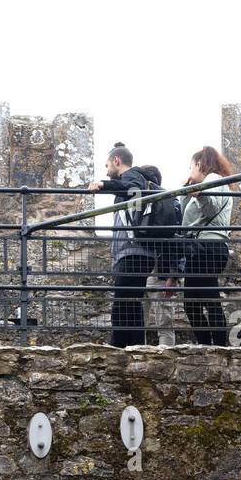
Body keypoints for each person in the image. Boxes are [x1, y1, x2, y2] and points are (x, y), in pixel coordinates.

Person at [88, 143, 153, 347]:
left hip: (133, 252)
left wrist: (103, 184)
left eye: (107, 165)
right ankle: (134, 348)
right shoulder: (132, 179)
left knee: (122, 304)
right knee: (130, 304)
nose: (107, 170)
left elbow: (132, 189)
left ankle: (119, 349)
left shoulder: (133, 176)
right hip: (133, 252)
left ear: (117, 161)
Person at [171, 147, 233, 346]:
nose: (190, 171)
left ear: (199, 164)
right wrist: (186, 194)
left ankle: (220, 346)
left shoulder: (214, 179)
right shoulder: (203, 185)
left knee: (207, 297)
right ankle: (208, 345)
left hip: (210, 246)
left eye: (191, 167)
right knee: (192, 304)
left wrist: (199, 193)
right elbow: (185, 218)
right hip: (199, 248)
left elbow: (211, 206)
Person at [139, 166, 178, 348]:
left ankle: (136, 357)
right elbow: (177, 240)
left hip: (151, 269)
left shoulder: (145, 204)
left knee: (148, 323)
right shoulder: (172, 202)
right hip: (156, 269)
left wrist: (174, 275)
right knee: (162, 323)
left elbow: (177, 242)